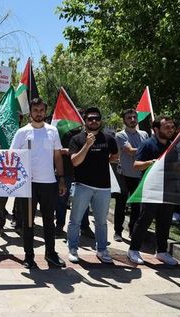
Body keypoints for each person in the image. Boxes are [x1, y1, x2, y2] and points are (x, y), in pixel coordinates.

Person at [10, 98, 67, 268]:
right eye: (35, 110)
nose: (39, 113)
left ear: (45, 111)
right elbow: (13, 157)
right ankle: (29, 256)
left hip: (49, 183)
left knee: (49, 221)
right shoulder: (22, 132)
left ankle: (50, 254)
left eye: (41, 110)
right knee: (28, 222)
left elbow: (57, 156)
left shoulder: (53, 131)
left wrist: (61, 178)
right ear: (31, 112)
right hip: (28, 185)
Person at [67, 107, 118, 264]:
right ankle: (73, 248)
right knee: (75, 220)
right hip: (83, 185)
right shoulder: (77, 139)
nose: (94, 121)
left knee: (101, 221)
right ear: (85, 121)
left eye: (96, 118)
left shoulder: (109, 139)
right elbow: (75, 161)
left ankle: (102, 249)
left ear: (100, 120)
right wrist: (88, 145)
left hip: (103, 187)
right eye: (90, 118)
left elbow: (115, 156)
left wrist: (103, 161)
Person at [128, 116, 179, 265]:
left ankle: (162, 252)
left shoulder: (173, 146)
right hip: (151, 189)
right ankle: (134, 250)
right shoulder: (147, 144)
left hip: (168, 189)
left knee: (165, 221)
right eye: (166, 127)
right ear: (156, 129)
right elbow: (136, 165)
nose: (170, 130)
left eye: (172, 127)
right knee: (145, 220)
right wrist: (151, 163)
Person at [114, 108, 149, 241]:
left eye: (134, 117)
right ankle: (118, 232)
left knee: (136, 206)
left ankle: (133, 230)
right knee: (121, 205)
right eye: (129, 117)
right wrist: (146, 148)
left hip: (140, 175)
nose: (132, 120)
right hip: (124, 175)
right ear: (124, 120)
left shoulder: (144, 134)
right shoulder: (120, 135)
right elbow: (130, 151)